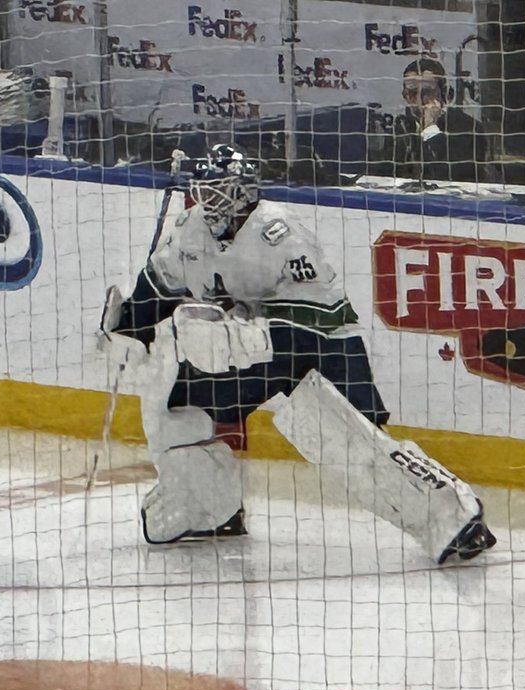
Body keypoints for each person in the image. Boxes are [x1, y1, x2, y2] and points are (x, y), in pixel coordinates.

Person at [100, 144, 496, 564]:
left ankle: (454, 517)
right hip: (251, 356)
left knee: (343, 440)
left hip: (321, 348)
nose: (208, 202)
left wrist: (251, 334)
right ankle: (205, 505)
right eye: (203, 191)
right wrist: (126, 331)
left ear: (243, 192)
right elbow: (160, 284)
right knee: (171, 395)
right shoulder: (190, 230)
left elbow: (321, 312)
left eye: (218, 192)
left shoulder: (279, 231)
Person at [368, 58, 490, 184]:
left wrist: (430, 128)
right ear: (404, 95)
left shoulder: (468, 128)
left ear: (444, 94)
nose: (420, 99)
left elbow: (455, 174)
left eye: (427, 91)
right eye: (413, 92)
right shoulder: (402, 127)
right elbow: (386, 172)